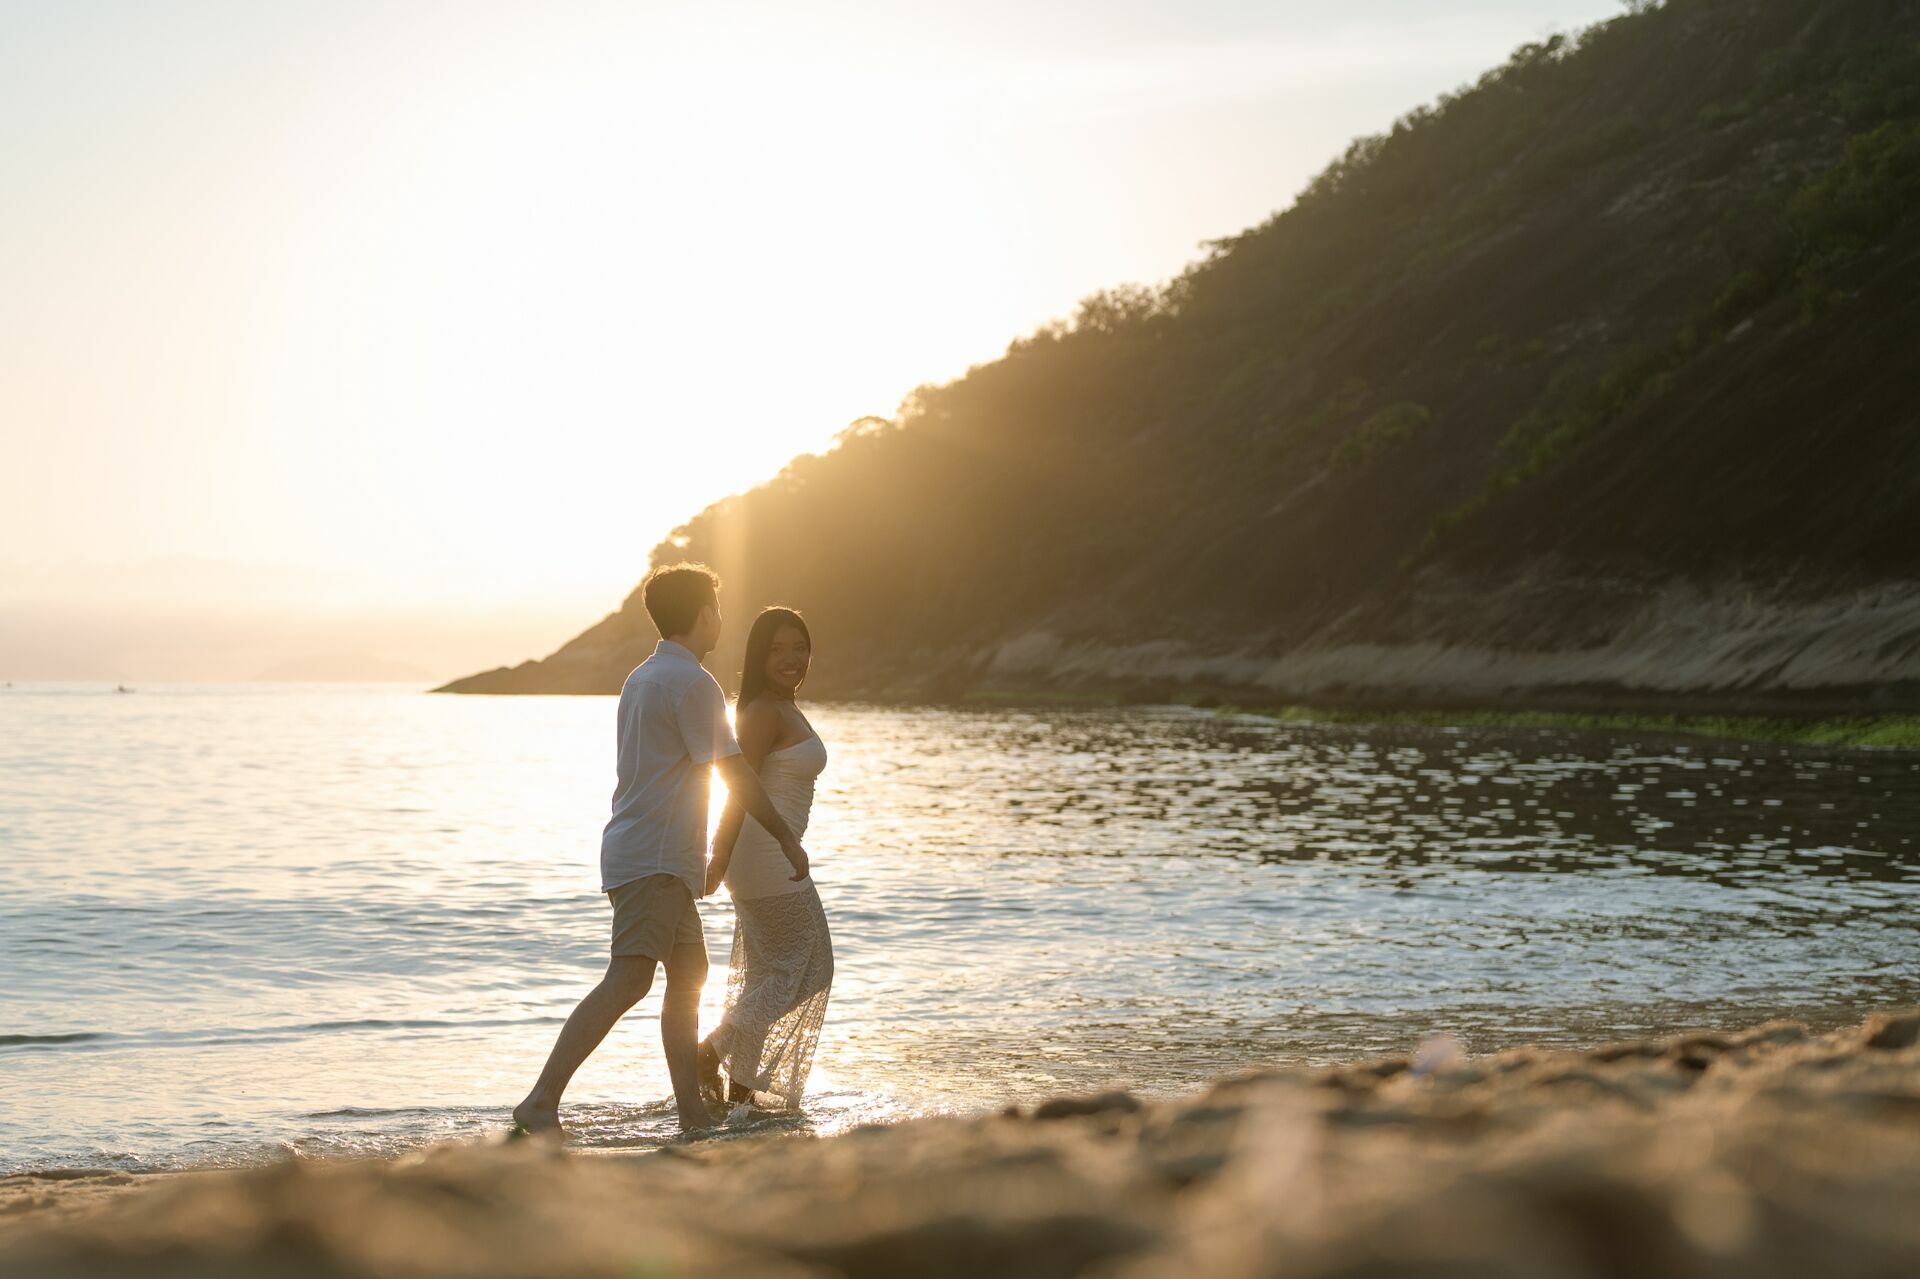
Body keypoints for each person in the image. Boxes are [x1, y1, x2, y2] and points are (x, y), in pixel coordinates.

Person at [512, 564, 809, 1136]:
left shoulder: (643, 677)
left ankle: (692, 1113)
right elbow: (734, 772)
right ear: (703, 615)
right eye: (717, 610)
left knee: (689, 972)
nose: (720, 619)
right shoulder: (693, 683)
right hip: (652, 857)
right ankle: (541, 1100)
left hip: (652, 855)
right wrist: (784, 836)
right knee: (628, 979)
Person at [697, 607, 833, 1110]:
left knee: (766, 975)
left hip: (773, 849)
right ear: (758, 655)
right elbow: (737, 784)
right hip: (763, 849)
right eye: (777, 649)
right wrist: (720, 852)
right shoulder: (760, 712)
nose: (791, 658)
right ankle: (709, 1053)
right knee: (810, 966)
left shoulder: (783, 706)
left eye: (799, 648)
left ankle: (741, 1094)